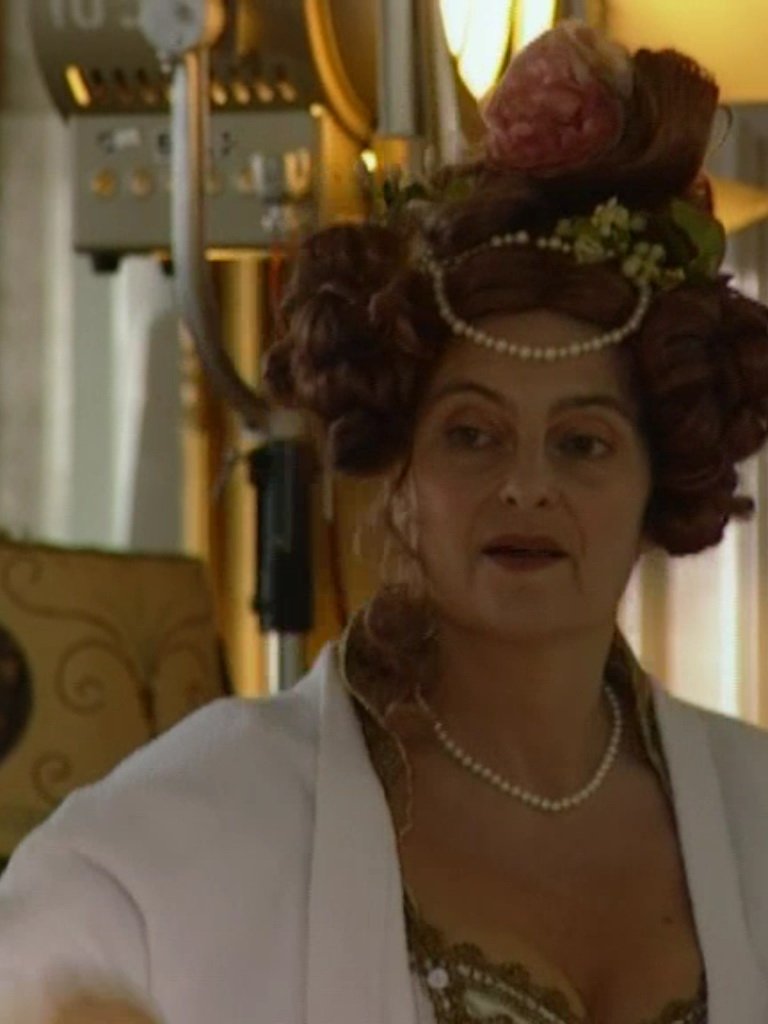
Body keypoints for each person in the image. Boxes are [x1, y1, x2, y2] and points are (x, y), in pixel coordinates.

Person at [2, 18, 768, 1024]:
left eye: (583, 444)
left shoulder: (752, 810)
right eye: (472, 435)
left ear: (658, 480)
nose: (525, 486)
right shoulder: (176, 847)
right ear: (398, 474)